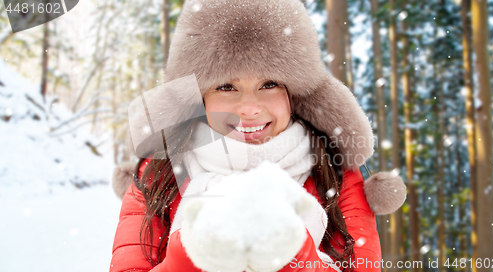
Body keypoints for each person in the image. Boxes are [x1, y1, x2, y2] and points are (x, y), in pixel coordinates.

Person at [110, 0, 406, 271]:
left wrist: (295, 255)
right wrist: (186, 258)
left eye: (269, 84)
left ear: (295, 95)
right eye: (226, 86)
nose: (249, 108)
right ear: (199, 99)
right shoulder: (157, 176)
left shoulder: (335, 176)